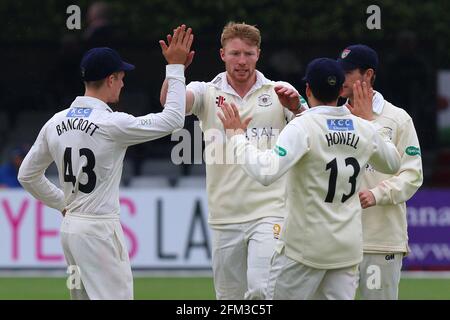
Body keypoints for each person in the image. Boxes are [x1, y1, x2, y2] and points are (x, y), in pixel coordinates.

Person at [17, 25, 193, 300]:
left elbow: (27, 176)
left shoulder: (56, 122)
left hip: (71, 228)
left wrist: (62, 203)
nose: (123, 84)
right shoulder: (111, 122)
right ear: (111, 79)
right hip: (99, 230)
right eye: (121, 78)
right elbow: (173, 120)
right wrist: (176, 68)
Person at [218, 58, 401, 300]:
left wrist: (237, 136)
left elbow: (265, 172)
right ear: (340, 91)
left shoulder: (302, 126)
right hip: (346, 249)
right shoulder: (363, 127)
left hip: (303, 249)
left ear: (307, 90)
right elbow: (393, 163)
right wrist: (369, 122)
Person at [160, 22, 308, 300]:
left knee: (264, 290)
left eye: (249, 54)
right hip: (224, 215)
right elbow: (171, 104)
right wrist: (175, 68)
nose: (242, 61)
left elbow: (311, 132)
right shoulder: (205, 91)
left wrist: (298, 108)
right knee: (229, 299)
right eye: (235, 53)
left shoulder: (279, 91)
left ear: (259, 54)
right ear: (222, 54)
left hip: (270, 210)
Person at [337, 44, 423, 299]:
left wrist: (378, 194)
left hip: (380, 240)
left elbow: (412, 175)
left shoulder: (397, 119)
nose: (340, 77)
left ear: (368, 75)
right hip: (337, 240)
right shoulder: (332, 116)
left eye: (348, 72)